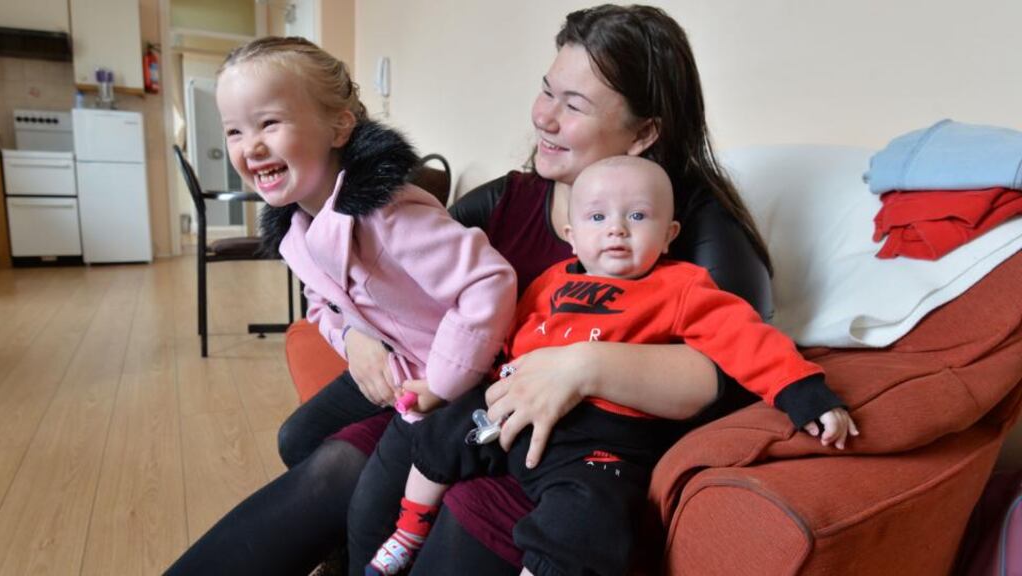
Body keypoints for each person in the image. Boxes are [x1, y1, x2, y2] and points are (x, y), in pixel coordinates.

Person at [167, 5, 791, 575]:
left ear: (645, 131)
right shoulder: (506, 199)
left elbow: (731, 375)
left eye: (573, 104)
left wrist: (583, 365)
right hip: (453, 397)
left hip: (557, 450)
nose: (544, 115)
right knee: (312, 448)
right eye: (546, 90)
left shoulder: (694, 228)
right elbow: (392, 277)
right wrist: (357, 337)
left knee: (386, 479)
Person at [366, 156, 858, 575]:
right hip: (515, 411)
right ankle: (409, 529)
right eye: (598, 218)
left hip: (599, 443)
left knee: (593, 514)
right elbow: (502, 337)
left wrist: (804, 394)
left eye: (638, 216)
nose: (617, 229)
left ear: (669, 235)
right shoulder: (549, 281)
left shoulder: (683, 287)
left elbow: (745, 340)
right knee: (437, 432)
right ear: (571, 235)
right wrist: (451, 380)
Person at [164, 36, 518, 574]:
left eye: (269, 123)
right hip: (393, 360)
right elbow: (320, 302)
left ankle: (368, 550)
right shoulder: (299, 223)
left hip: (453, 379)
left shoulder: (392, 216)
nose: (249, 146)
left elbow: (490, 283)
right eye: (235, 130)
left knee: (368, 509)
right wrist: (355, 338)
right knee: (297, 435)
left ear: (340, 126)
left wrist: (441, 385)